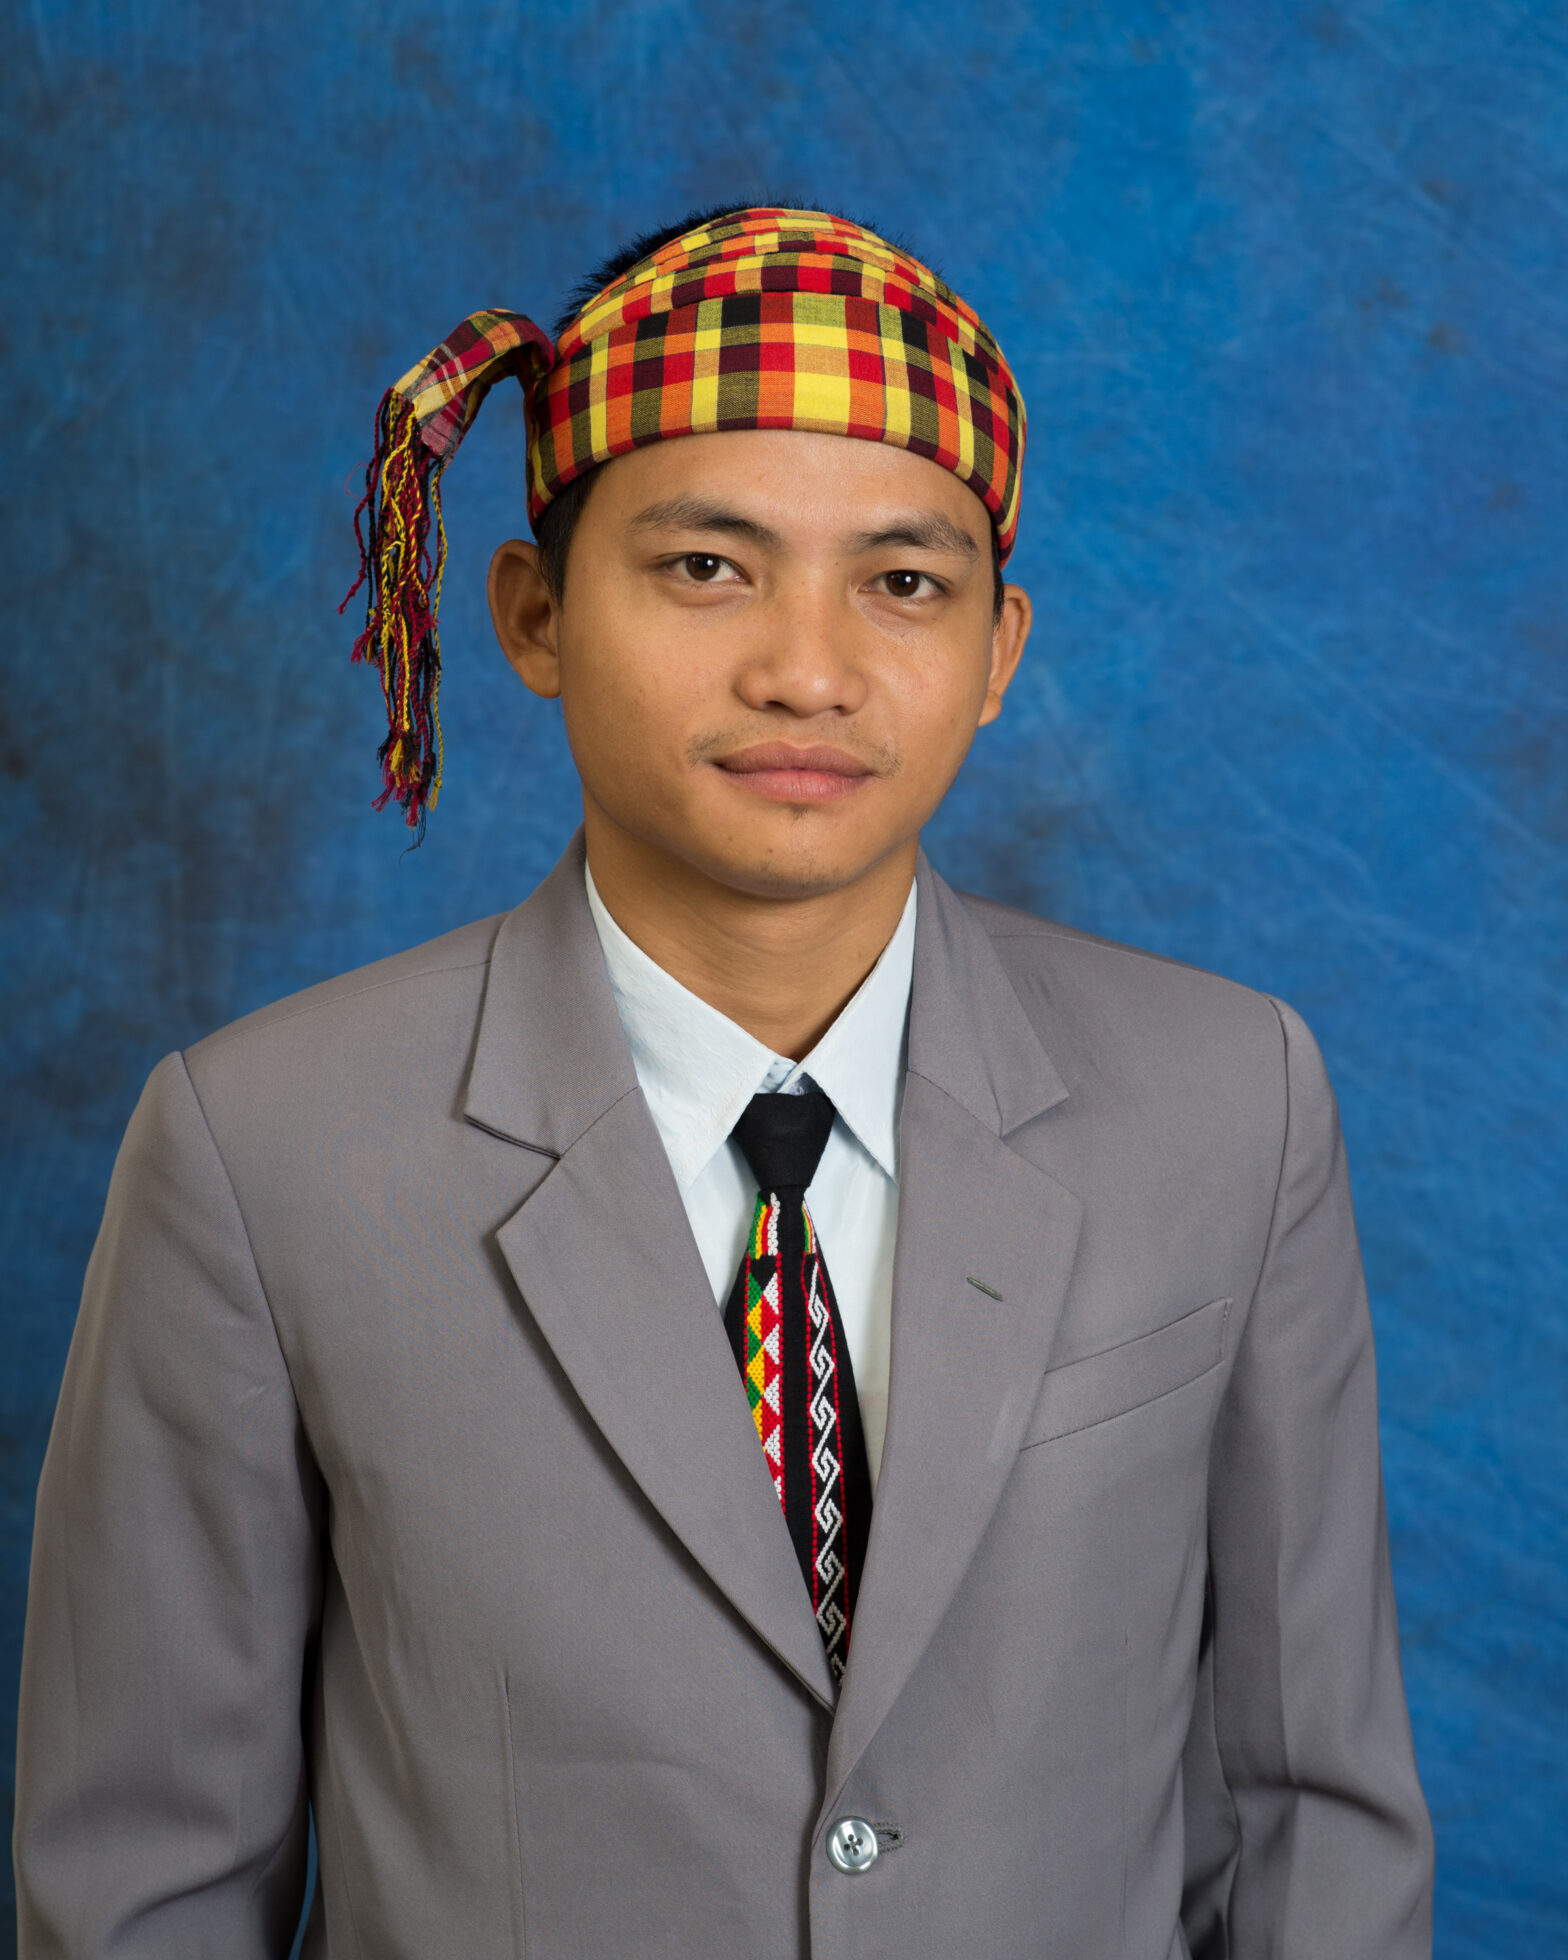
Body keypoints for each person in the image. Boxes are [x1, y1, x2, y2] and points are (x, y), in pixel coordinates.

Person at [14, 205, 1434, 1957]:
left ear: (998, 651)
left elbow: (1312, 1818)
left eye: (902, 583)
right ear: (535, 614)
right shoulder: (265, 1151)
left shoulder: (1232, 1104)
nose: (807, 673)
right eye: (706, 567)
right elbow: (144, 1885)